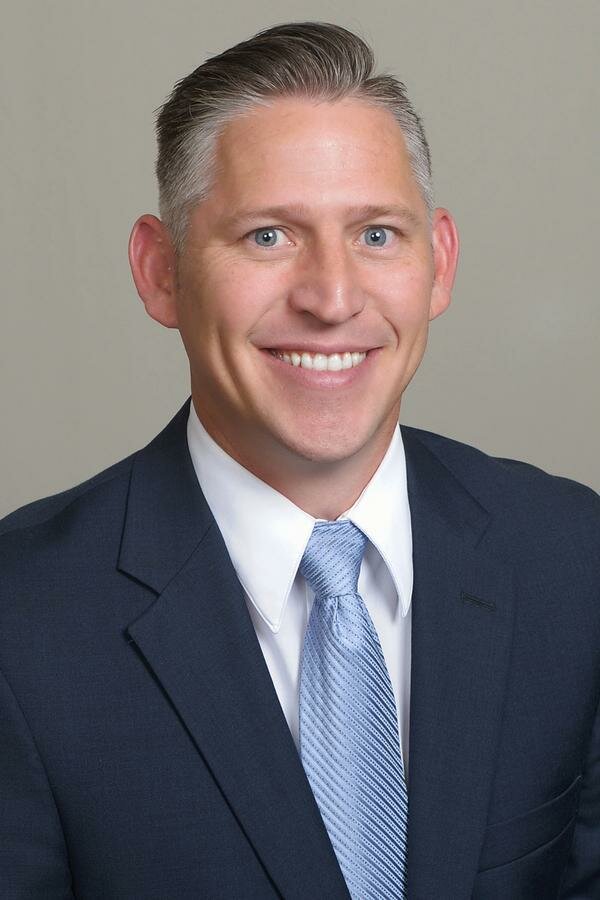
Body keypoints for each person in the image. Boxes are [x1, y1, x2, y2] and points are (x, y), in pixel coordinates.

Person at [1, 21, 598, 900]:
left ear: (439, 263)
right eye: (269, 236)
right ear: (161, 272)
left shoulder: (573, 559)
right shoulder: (20, 622)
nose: (332, 297)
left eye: (377, 235)